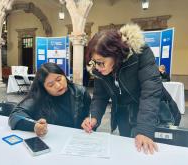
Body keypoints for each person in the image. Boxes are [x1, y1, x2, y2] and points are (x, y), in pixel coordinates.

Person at [81, 24, 175, 155]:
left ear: (115, 55)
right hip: (124, 115)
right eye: (94, 62)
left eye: (101, 62)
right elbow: (99, 97)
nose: (97, 67)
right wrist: (94, 117)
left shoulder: (140, 53)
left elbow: (150, 93)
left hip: (153, 114)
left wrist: (144, 130)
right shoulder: (98, 69)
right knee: (129, 152)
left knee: (153, 153)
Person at [9, 62, 91, 137]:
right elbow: (15, 115)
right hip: (52, 139)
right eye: (51, 85)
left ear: (64, 75)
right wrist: (34, 126)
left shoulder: (81, 92)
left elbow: (90, 115)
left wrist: (89, 121)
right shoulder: (39, 97)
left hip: (76, 138)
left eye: (59, 79)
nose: (58, 86)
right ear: (44, 88)